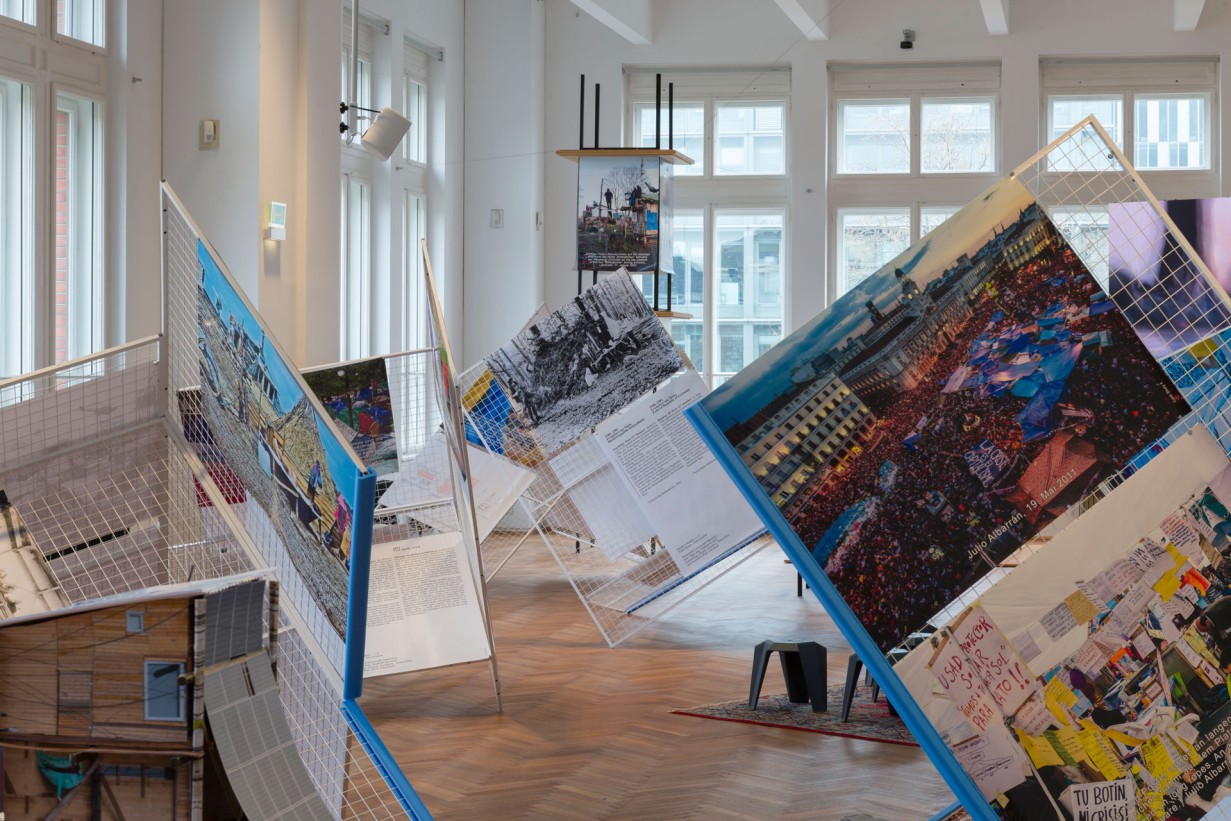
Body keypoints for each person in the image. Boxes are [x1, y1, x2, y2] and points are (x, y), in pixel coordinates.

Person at [1194, 595, 1231, 668]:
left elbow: (1223, 631)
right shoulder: (1208, 616)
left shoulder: (1215, 618)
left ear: (1207, 625)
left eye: (1207, 630)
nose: (1208, 632)